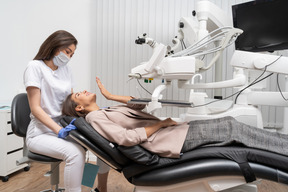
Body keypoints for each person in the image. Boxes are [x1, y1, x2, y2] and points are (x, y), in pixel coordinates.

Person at [62, 77, 288, 191]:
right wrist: (161, 125)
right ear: (79, 108)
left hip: (173, 133)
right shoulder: (95, 118)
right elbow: (125, 139)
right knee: (234, 129)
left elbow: (138, 106)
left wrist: (111, 96)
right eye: (77, 95)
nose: (82, 90)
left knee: (231, 125)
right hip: (169, 140)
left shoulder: (106, 110)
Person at [23, 30, 86, 192]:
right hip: (40, 133)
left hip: (62, 127)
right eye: (67, 52)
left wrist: (88, 113)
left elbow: (69, 102)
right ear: (55, 45)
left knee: (95, 147)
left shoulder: (66, 70)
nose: (69, 57)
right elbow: (36, 108)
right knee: (75, 154)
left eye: (72, 54)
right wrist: (59, 130)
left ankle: (93, 186)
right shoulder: (35, 67)